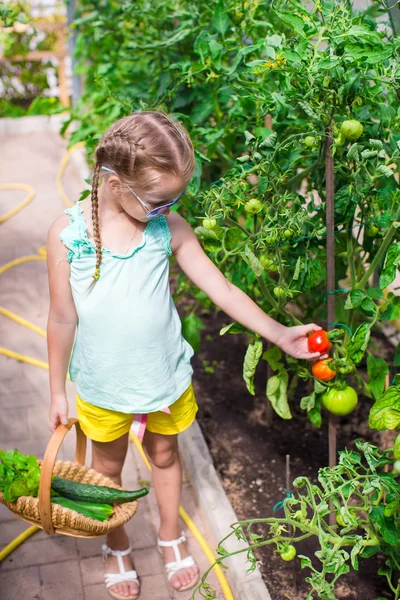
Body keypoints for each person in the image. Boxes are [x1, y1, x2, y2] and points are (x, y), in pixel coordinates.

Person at [47, 111, 324, 600]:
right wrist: (54, 391)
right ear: (114, 184)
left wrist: (279, 333)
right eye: (158, 199)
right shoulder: (67, 238)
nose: (169, 207)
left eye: (176, 198)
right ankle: (117, 545)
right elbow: (61, 318)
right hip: (103, 384)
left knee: (165, 455)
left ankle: (171, 535)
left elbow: (221, 287)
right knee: (107, 472)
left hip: (165, 378)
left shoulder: (166, 228)